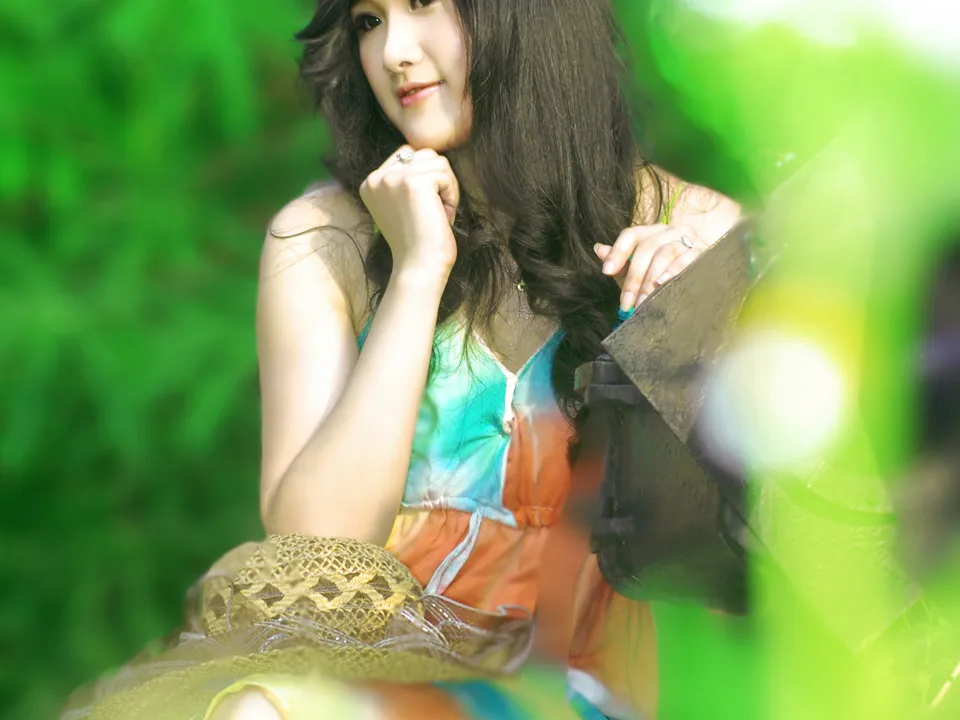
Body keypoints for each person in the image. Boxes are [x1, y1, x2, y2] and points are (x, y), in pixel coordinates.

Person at [63, 0, 740, 718]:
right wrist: (418, 271)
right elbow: (317, 542)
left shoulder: (695, 232)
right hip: (369, 666)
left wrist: (687, 322)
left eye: (421, 6)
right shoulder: (323, 239)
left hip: (586, 683)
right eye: (369, 20)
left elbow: (750, 540)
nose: (392, 52)